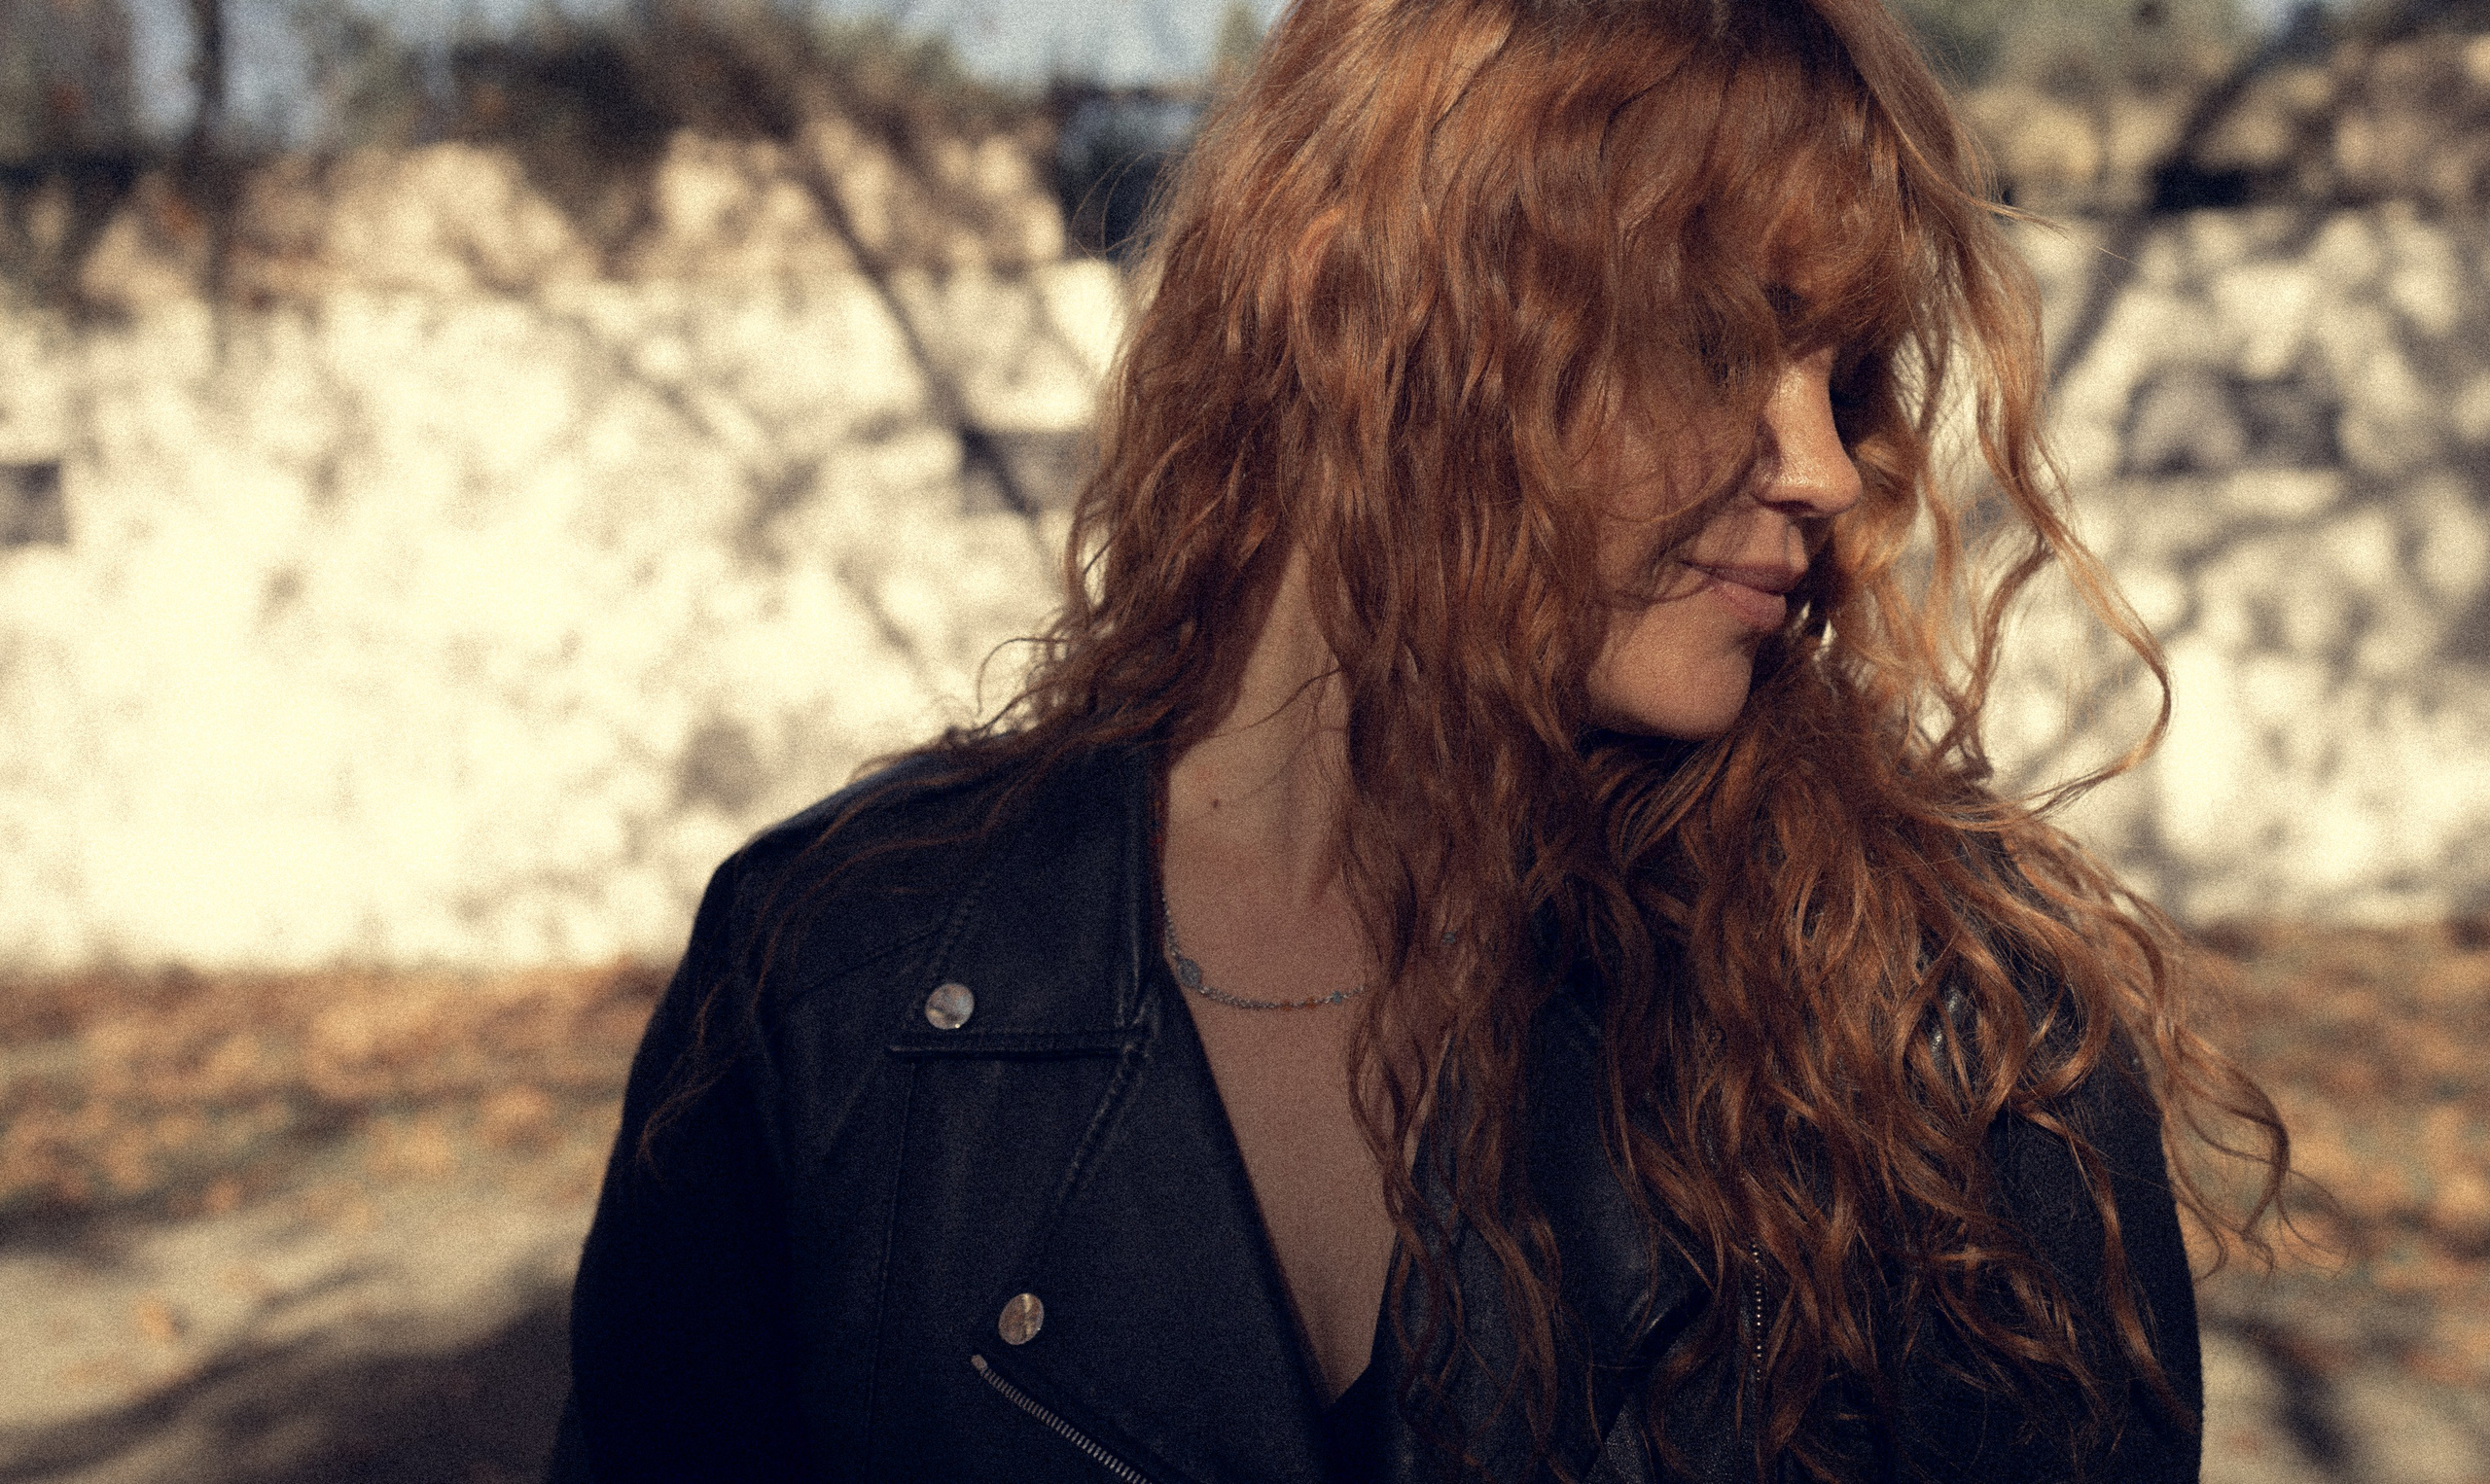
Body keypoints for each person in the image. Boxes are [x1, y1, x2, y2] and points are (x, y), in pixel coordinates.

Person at [549, 0, 2287, 1479]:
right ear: (1365, 321)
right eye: (1709, 341)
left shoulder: (1944, 1025)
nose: (1826, 471)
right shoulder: (838, 986)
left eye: (1841, 381)